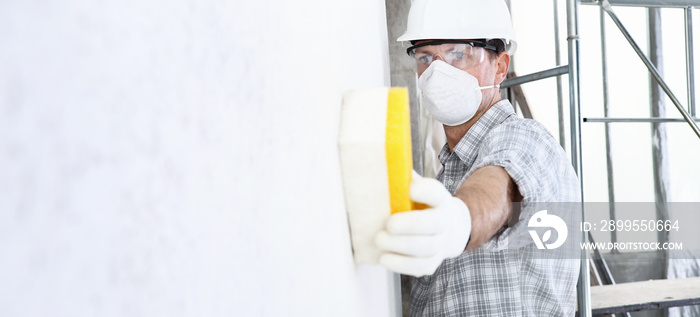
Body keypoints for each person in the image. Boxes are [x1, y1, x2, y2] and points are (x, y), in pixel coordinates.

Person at [373, 0, 582, 315]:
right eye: (425, 57)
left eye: (459, 53)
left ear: (500, 66)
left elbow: (497, 188)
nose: (437, 72)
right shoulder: (444, 182)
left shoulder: (527, 138)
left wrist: (458, 222)